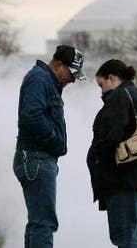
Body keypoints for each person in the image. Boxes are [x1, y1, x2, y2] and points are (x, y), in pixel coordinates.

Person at [14, 44, 85, 248]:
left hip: (36, 158)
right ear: (58, 65)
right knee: (44, 222)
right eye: (71, 73)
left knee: (38, 221)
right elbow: (32, 116)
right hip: (37, 158)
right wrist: (56, 141)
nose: (72, 79)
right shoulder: (40, 79)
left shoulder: (44, 80)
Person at [87, 59, 137, 248]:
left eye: (101, 85)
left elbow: (112, 137)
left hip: (124, 182)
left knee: (126, 241)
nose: (101, 91)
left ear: (111, 78)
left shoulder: (118, 97)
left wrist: (96, 160)